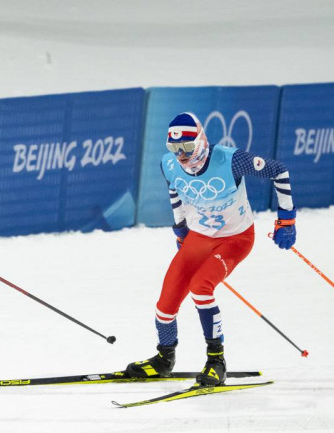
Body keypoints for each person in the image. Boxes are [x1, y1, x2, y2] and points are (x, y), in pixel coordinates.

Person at [125, 112, 297, 386]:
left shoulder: (230, 159)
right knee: (165, 303)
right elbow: (174, 190)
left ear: (201, 142)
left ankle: (216, 360)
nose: (181, 155)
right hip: (199, 237)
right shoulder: (168, 164)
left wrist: (286, 219)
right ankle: (164, 358)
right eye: (174, 148)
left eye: (187, 148)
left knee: (201, 287)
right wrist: (180, 229)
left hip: (235, 239)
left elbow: (279, 170)